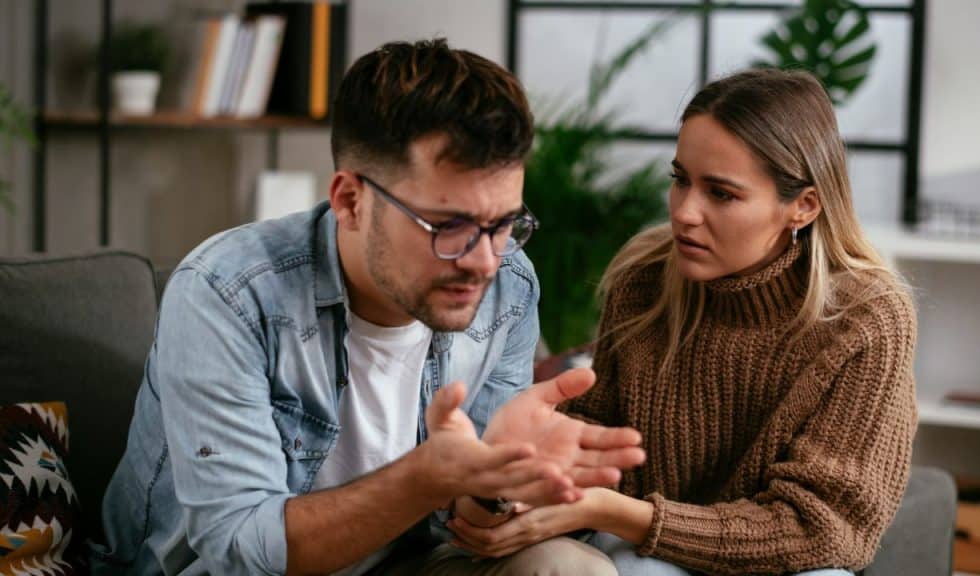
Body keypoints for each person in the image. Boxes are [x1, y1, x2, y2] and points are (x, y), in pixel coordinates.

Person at [90, 39, 646, 576]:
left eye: (503, 225)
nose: (483, 261)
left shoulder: (509, 285)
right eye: (448, 226)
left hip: (405, 562)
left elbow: (465, 521)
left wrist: (497, 482)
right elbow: (239, 549)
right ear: (350, 200)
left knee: (571, 567)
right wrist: (425, 479)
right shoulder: (228, 291)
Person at [446, 68, 918, 576]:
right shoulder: (645, 279)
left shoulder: (866, 317)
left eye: (721, 193)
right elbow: (594, 443)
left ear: (802, 206)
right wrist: (515, 486)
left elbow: (821, 530)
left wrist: (617, 512)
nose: (685, 212)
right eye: (680, 180)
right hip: (642, 551)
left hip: (785, 562)